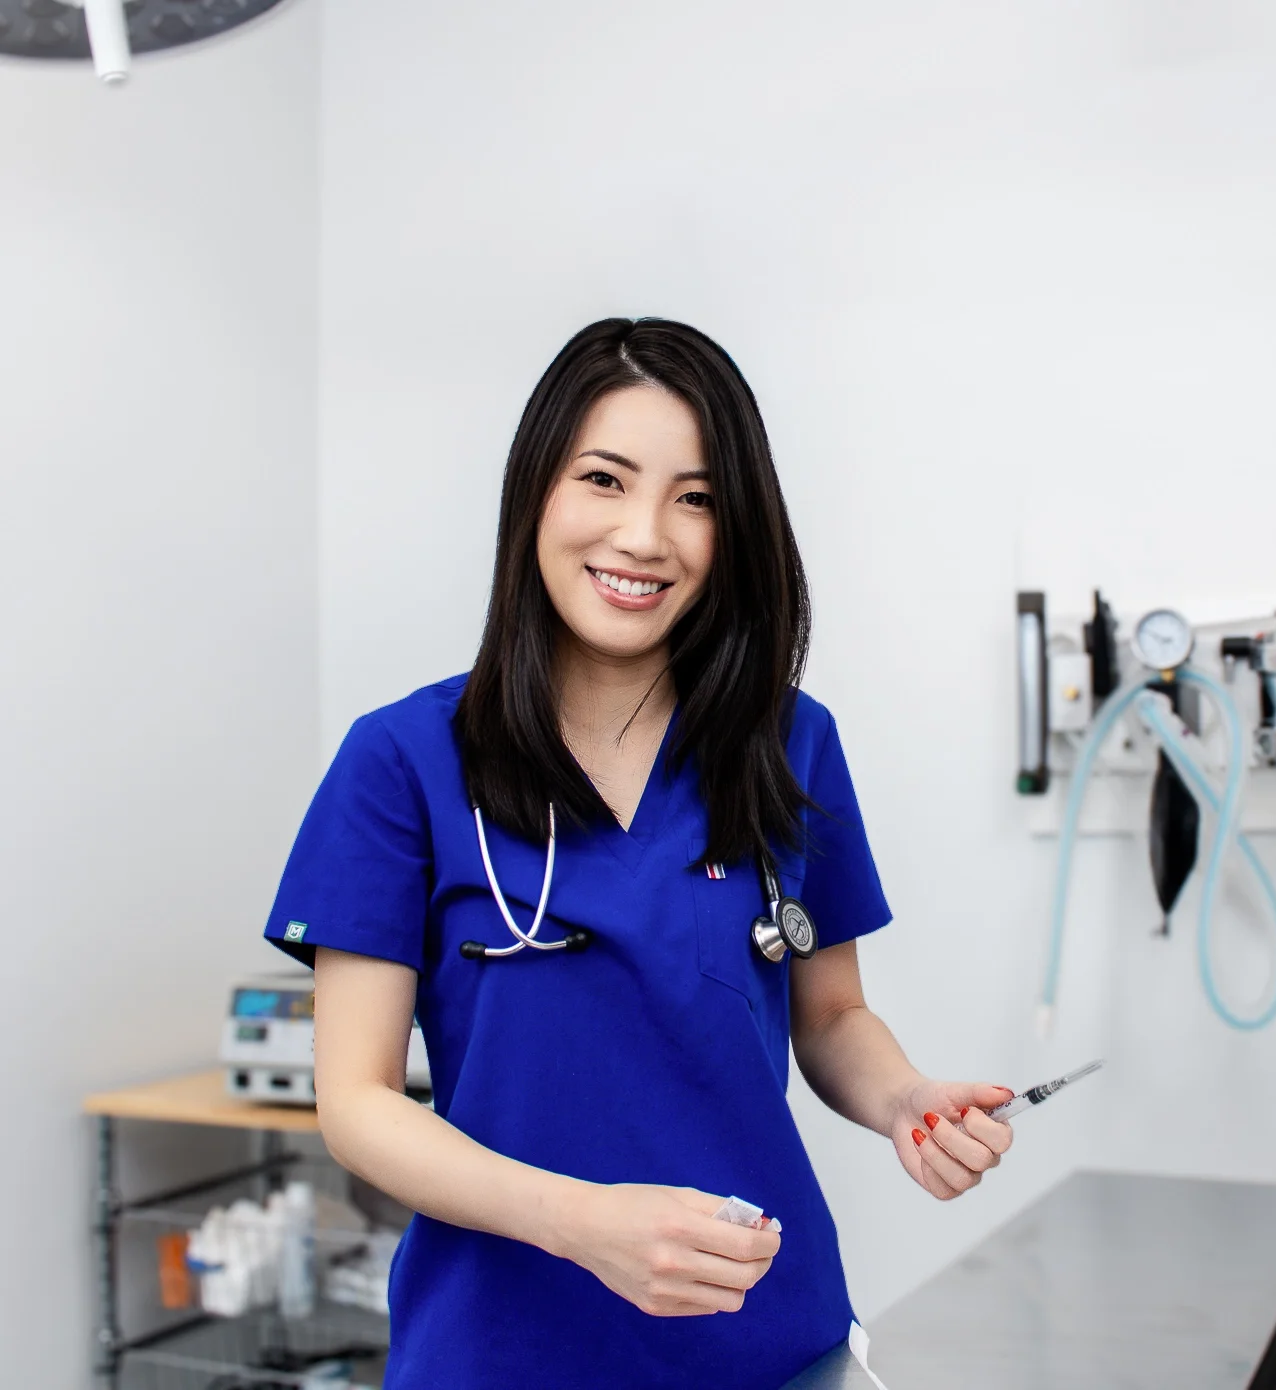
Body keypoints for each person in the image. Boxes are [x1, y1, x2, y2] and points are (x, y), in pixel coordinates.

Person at [263, 318, 1017, 1388]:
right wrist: (579, 1222)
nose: (645, 535)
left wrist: (904, 1099)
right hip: (502, 1351)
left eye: (696, 498)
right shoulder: (401, 762)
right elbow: (357, 1103)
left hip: (766, 1344)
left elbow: (833, 1015)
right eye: (605, 480)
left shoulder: (790, 742)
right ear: (538, 492)